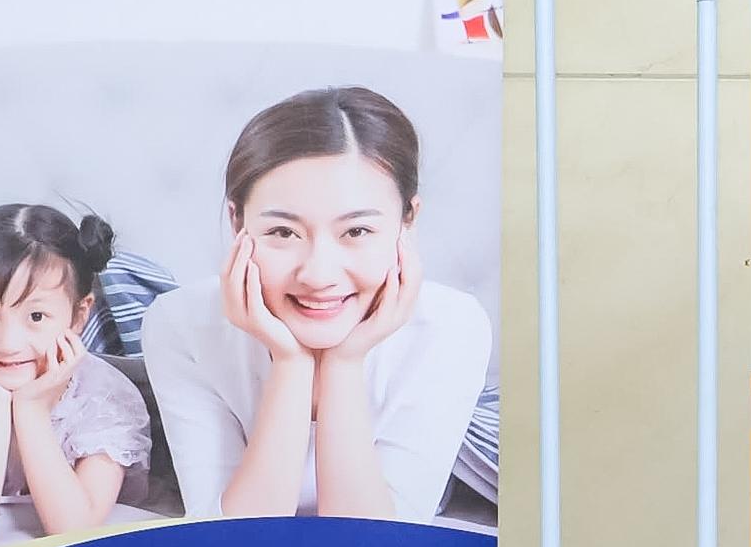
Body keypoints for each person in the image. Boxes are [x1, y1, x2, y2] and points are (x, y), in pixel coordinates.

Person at [141, 86, 490, 522]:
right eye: (283, 233)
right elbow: (231, 542)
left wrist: (345, 363)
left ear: (408, 221)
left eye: (357, 232)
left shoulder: (451, 327)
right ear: (237, 222)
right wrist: (291, 365)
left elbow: (372, 546)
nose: (319, 275)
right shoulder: (179, 325)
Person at [0, 202, 150, 542]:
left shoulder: (103, 397)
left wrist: (30, 409)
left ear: (78, 315)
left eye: (36, 317)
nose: (8, 343)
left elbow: (73, 531)